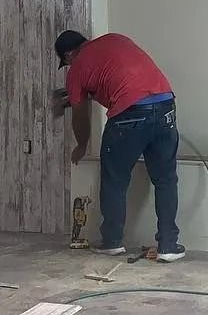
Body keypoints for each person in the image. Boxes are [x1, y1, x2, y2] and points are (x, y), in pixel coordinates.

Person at [54, 29, 185, 261]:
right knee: (165, 179)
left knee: (114, 179)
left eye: (65, 63)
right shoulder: (115, 39)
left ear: (68, 55)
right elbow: (121, 78)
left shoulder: (76, 69)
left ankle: (112, 242)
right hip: (165, 104)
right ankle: (168, 245)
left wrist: (82, 144)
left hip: (130, 115)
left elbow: (80, 115)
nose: (67, 67)